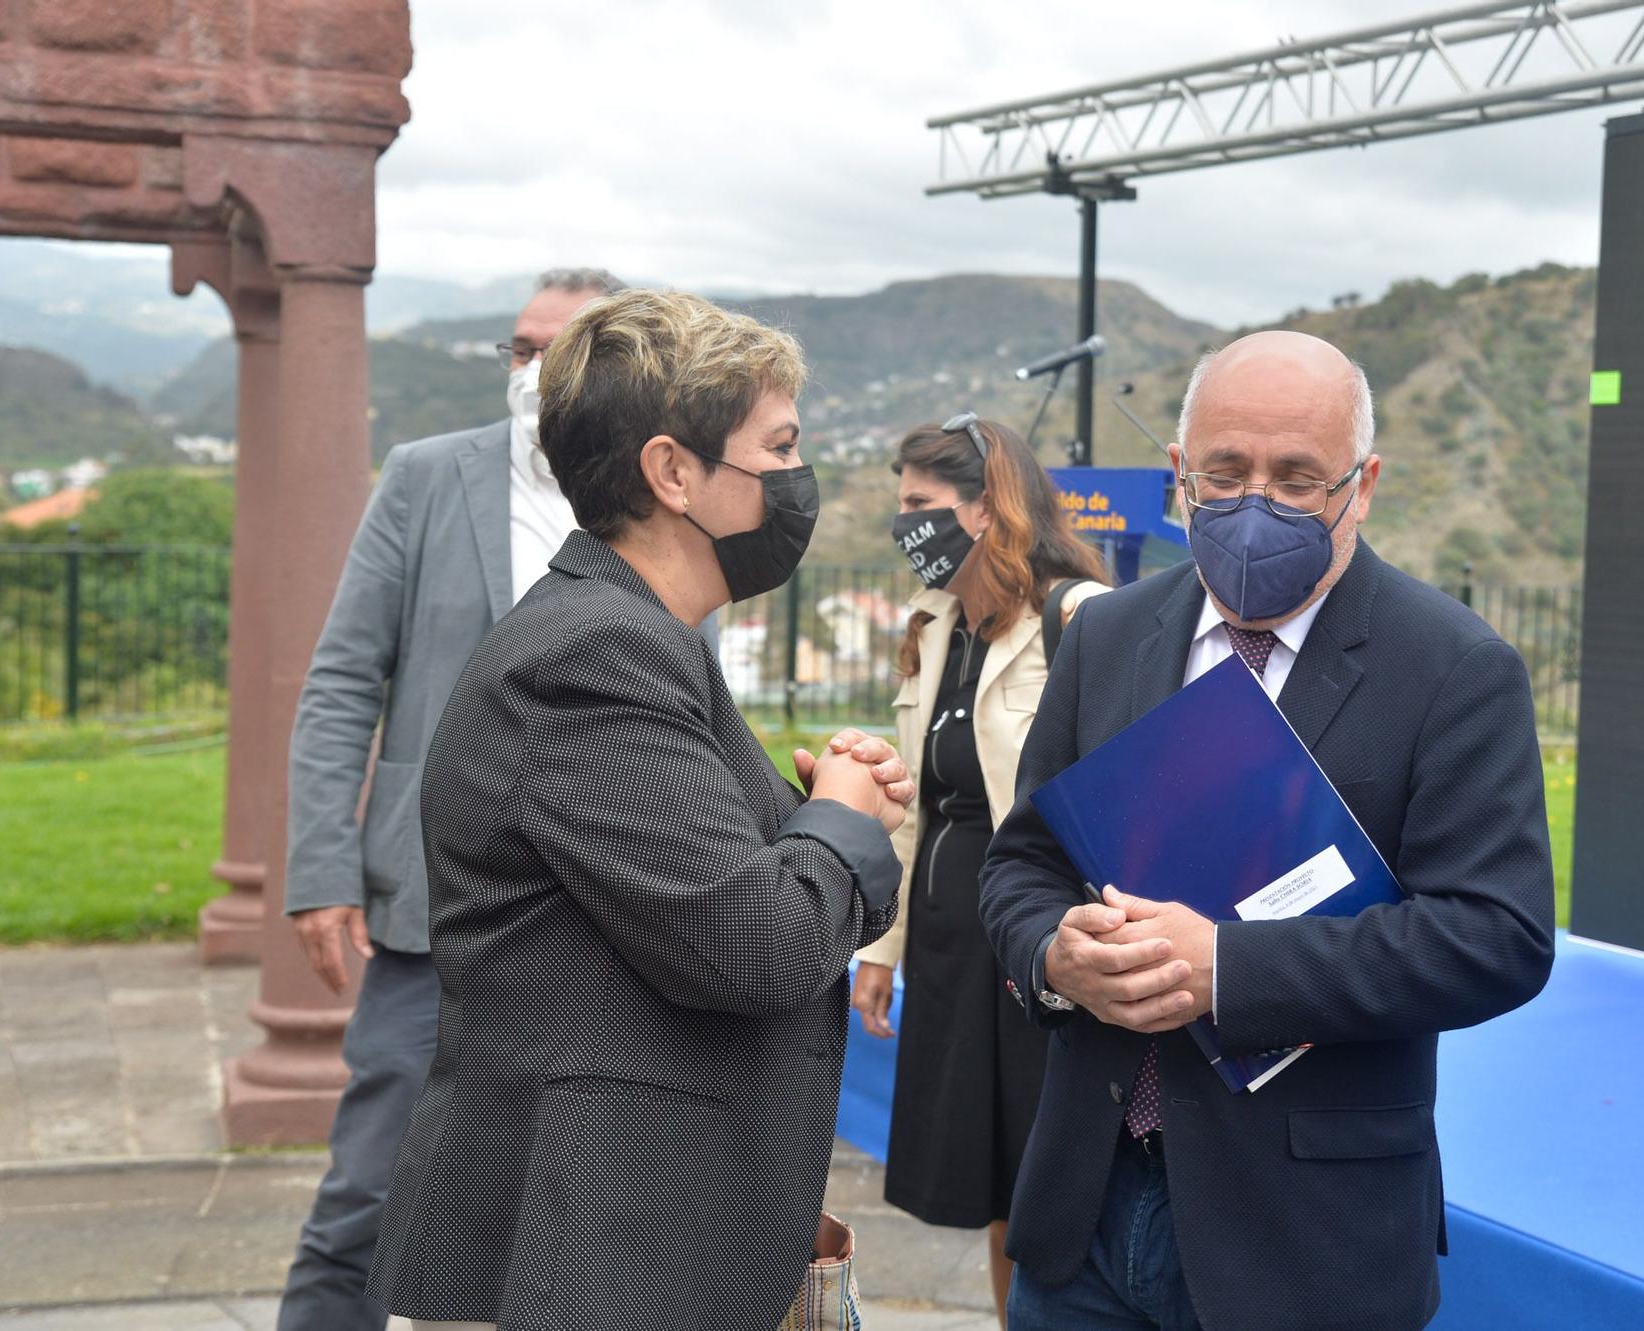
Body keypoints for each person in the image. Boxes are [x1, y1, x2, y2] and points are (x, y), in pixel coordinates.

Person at [980, 330, 1557, 1331]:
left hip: (1304, 1245)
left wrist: (1229, 970)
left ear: (1361, 483)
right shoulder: (1108, 635)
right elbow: (1022, 861)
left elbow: (1494, 937)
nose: (1257, 502)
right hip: (1083, 1214)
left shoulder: (1453, 668)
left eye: (1297, 478)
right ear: (1178, 473)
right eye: (1225, 471)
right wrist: (1052, 954)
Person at [366, 289, 909, 1331]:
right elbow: (754, 945)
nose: (798, 478)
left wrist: (828, 825)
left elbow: (697, 904)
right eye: (779, 446)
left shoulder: (641, 638)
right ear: (671, 471)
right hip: (582, 1254)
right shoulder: (596, 651)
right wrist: (836, 820)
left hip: (636, 1232)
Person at [276, 266, 624, 1331]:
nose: (529, 371)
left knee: (568, 1217)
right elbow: (342, 678)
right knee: (368, 1198)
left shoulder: (651, 496)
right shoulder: (429, 476)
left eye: (553, 352)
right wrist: (323, 868)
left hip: (598, 915)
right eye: (518, 349)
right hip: (431, 910)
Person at [851, 414, 1110, 1324]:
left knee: (1043, 1166)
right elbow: (917, 803)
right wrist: (882, 947)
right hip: (953, 944)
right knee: (990, 1175)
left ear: (983, 506)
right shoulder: (938, 623)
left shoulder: (1072, 615)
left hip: (1035, 934)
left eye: (920, 505)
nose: (905, 523)